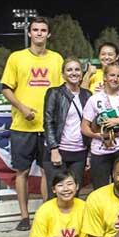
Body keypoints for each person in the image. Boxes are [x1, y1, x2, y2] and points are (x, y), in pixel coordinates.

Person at [1, 16, 63, 231]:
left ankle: (47, 215)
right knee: (23, 172)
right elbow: (6, 88)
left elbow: (62, 92)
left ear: (48, 34)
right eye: (35, 29)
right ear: (29, 33)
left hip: (48, 128)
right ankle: (25, 216)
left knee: (48, 172)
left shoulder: (56, 59)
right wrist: (23, 108)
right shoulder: (16, 58)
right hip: (22, 127)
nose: (39, 33)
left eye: (43, 30)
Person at [81, 63, 119, 189]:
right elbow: (84, 127)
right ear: (105, 77)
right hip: (100, 151)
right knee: (100, 190)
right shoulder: (94, 99)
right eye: (112, 75)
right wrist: (98, 135)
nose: (115, 78)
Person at [43, 58, 92, 199]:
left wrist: (88, 154)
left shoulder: (87, 95)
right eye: (69, 70)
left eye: (77, 69)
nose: (74, 73)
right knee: (56, 195)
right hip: (59, 151)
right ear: (63, 74)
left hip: (79, 152)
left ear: (82, 74)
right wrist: (54, 149)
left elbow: (90, 124)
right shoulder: (54, 93)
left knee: (73, 195)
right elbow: (48, 122)